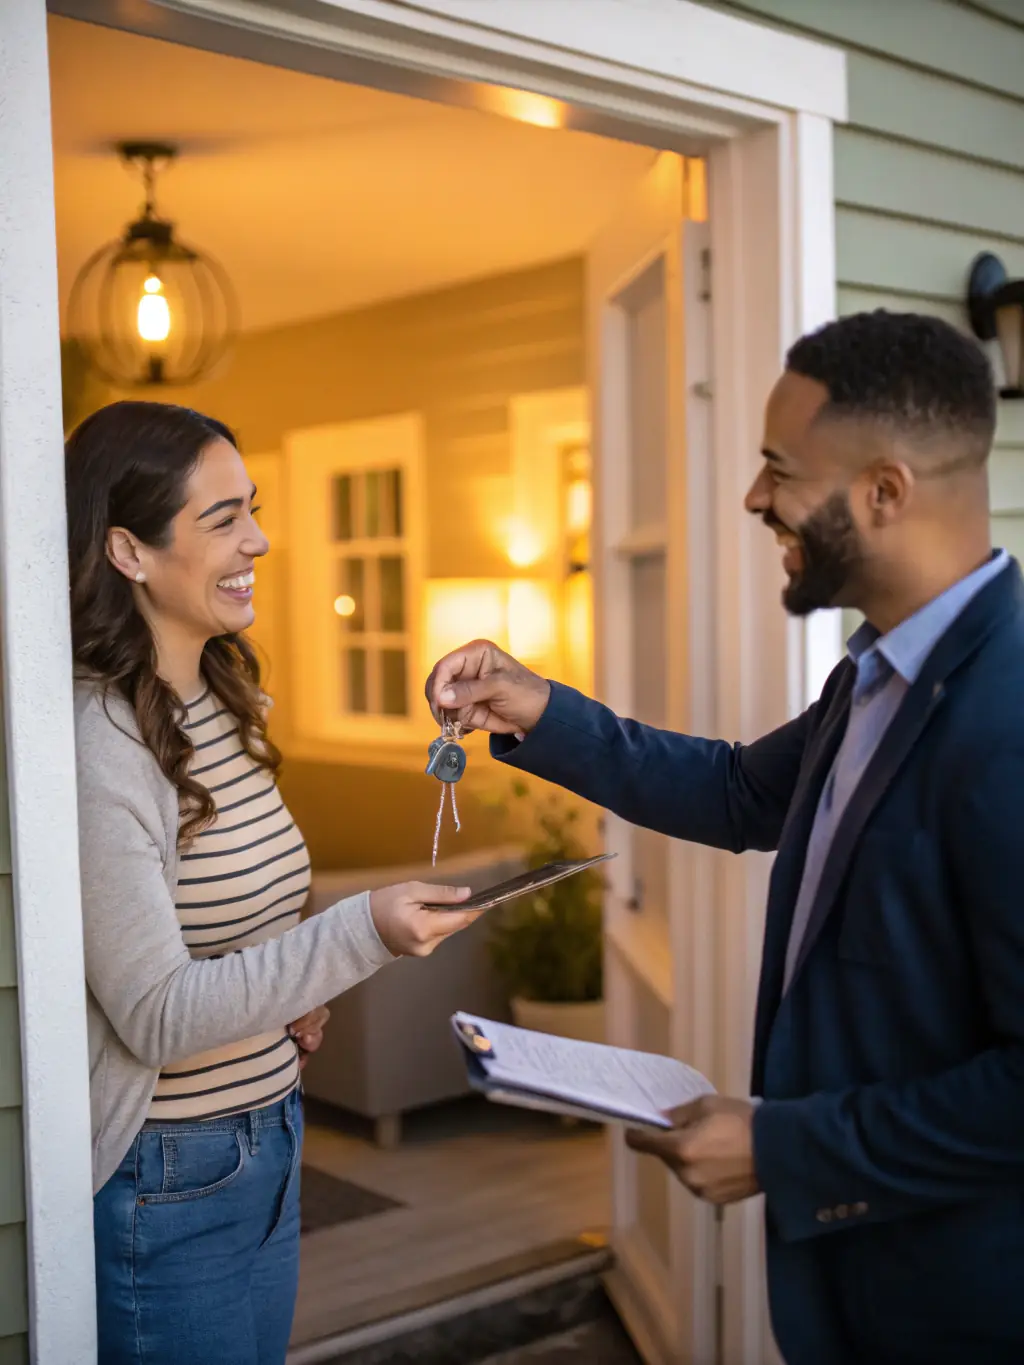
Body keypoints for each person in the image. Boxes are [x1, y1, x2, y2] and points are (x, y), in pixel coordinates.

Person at [426, 311, 1024, 1365]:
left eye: (777, 470)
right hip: (852, 1296)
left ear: (884, 491)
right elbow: (745, 790)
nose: (754, 498)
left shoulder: (1008, 718)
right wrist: (536, 707)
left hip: (960, 1307)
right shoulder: (875, 674)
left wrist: (785, 1148)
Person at [68, 401, 478, 1365]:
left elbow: (240, 931)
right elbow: (157, 1012)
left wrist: (294, 993)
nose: (257, 539)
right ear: (128, 551)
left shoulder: (224, 694)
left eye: (251, 508)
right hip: (170, 1176)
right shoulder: (100, 744)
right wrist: (358, 934)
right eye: (221, 519)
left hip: (275, 1138)